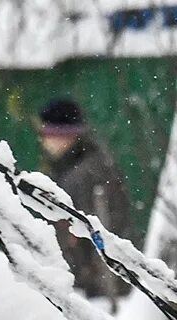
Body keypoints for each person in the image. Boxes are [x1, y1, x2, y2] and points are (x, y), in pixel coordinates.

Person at [36, 96, 133, 303]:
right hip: (82, 284)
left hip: (98, 291)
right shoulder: (69, 168)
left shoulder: (88, 173)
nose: (45, 141)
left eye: (50, 134)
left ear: (66, 135)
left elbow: (106, 226)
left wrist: (95, 279)